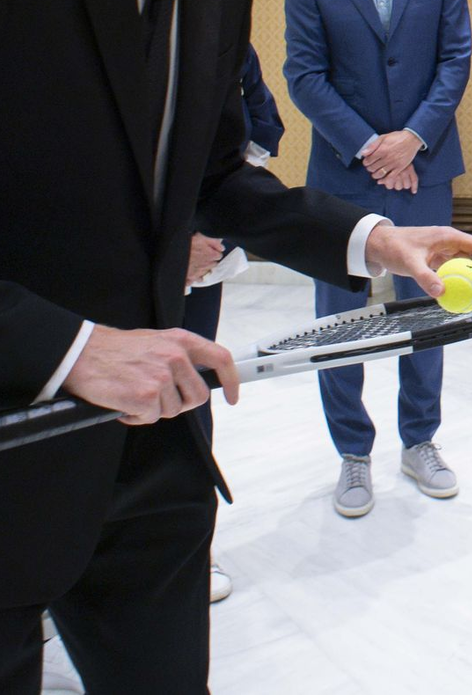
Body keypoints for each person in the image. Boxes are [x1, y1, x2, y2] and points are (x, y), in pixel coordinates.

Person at [0, 0, 472, 695]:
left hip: (154, 469)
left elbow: (216, 175)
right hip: (14, 432)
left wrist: (370, 236)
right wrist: (72, 346)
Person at [285, 0, 472, 517]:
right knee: (339, 318)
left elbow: (456, 60)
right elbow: (303, 76)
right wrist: (371, 146)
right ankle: (353, 453)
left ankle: (420, 440)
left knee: (429, 306)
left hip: (425, 170)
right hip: (343, 173)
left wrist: (412, 139)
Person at [184, 41, 286, 602]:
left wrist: (208, 229)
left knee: (189, 394)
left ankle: (194, 545)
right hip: (91, 264)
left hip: (200, 254)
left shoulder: (222, 38)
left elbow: (264, 125)